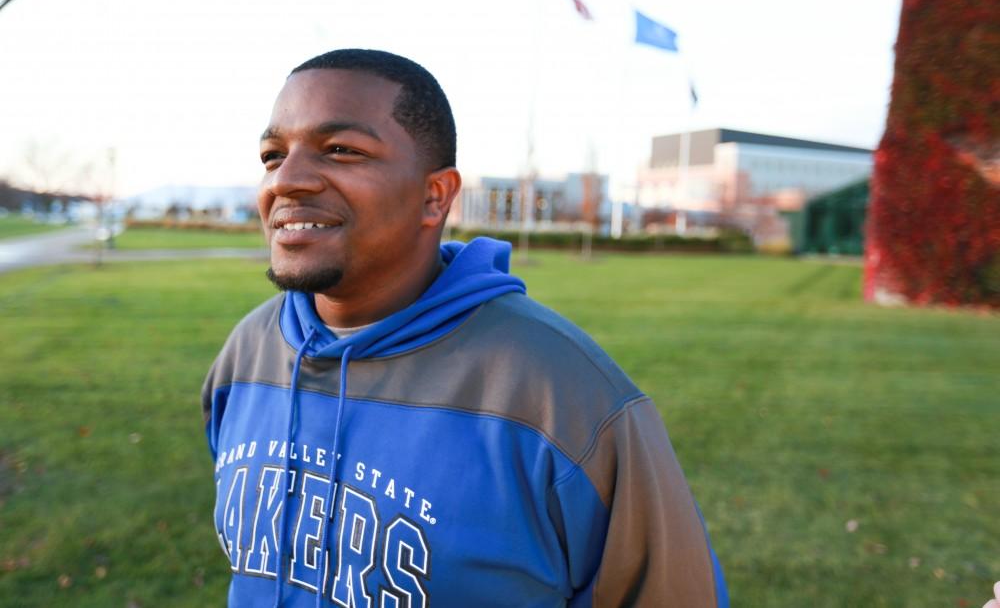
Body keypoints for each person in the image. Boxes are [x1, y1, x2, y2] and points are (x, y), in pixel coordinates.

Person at [201, 48, 728, 607]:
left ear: (435, 196)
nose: (289, 179)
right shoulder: (249, 353)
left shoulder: (561, 392)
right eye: (272, 154)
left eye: (340, 150)